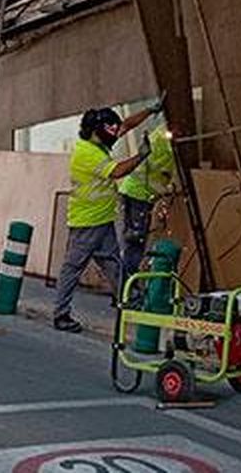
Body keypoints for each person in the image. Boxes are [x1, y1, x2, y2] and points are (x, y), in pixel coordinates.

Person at [51, 103, 157, 333]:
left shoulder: (97, 143)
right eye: (109, 130)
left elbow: (124, 126)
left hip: (101, 219)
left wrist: (150, 111)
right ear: (96, 131)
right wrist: (141, 156)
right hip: (87, 222)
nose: (115, 134)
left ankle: (130, 300)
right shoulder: (86, 153)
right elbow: (118, 171)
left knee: (113, 264)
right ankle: (61, 314)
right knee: (73, 268)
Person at [117, 124, 175, 280]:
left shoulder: (159, 133)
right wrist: (165, 190)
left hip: (133, 192)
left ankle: (125, 289)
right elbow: (157, 174)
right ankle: (129, 290)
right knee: (136, 243)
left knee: (132, 243)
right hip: (139, 195)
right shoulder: (166, 141)